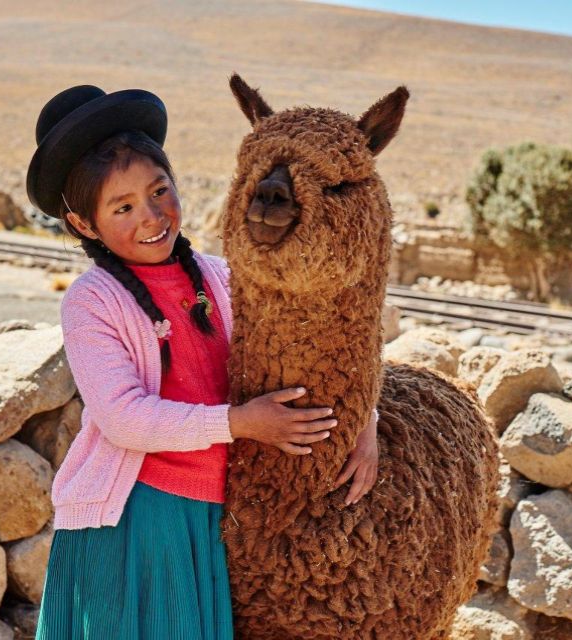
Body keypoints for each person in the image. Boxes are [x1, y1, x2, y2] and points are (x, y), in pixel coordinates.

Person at [26, 85, 379, 639]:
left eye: (159, 190)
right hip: (134, 521)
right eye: (122, 208)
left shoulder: (221, 277)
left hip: (209, 520)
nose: (152, 217)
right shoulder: (94, 301)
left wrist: (363, 422)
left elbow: (307, 345)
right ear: (84, 226)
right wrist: (239, 423)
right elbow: (124, 419)